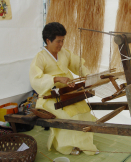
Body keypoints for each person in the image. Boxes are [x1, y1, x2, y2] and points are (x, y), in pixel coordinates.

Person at [29, 22, 98, 155]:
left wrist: (89, 76)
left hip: (67, 93)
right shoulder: (40, 58)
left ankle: (82, 144)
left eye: (63, 41)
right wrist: (56, 79)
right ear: (48, 40)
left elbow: (78, 65)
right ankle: (65, 146)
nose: (61, 44)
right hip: (49, 97)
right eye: (58, 41)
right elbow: (35, 79)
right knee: (69, 116)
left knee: (84, 111)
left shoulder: (65, 53)